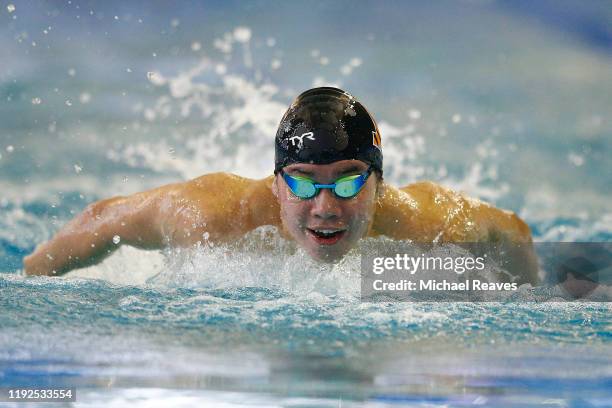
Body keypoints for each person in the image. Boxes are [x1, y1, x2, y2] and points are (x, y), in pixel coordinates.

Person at [24, 87, 539, 284]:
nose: (324, 208)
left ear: (380, 185)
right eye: (303, 184)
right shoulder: (209, 217)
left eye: (348, 182)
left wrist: (528, 291)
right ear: (275, 186)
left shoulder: (428, 222)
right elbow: (100, 219)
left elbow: (514, 232)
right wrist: (28, 285)